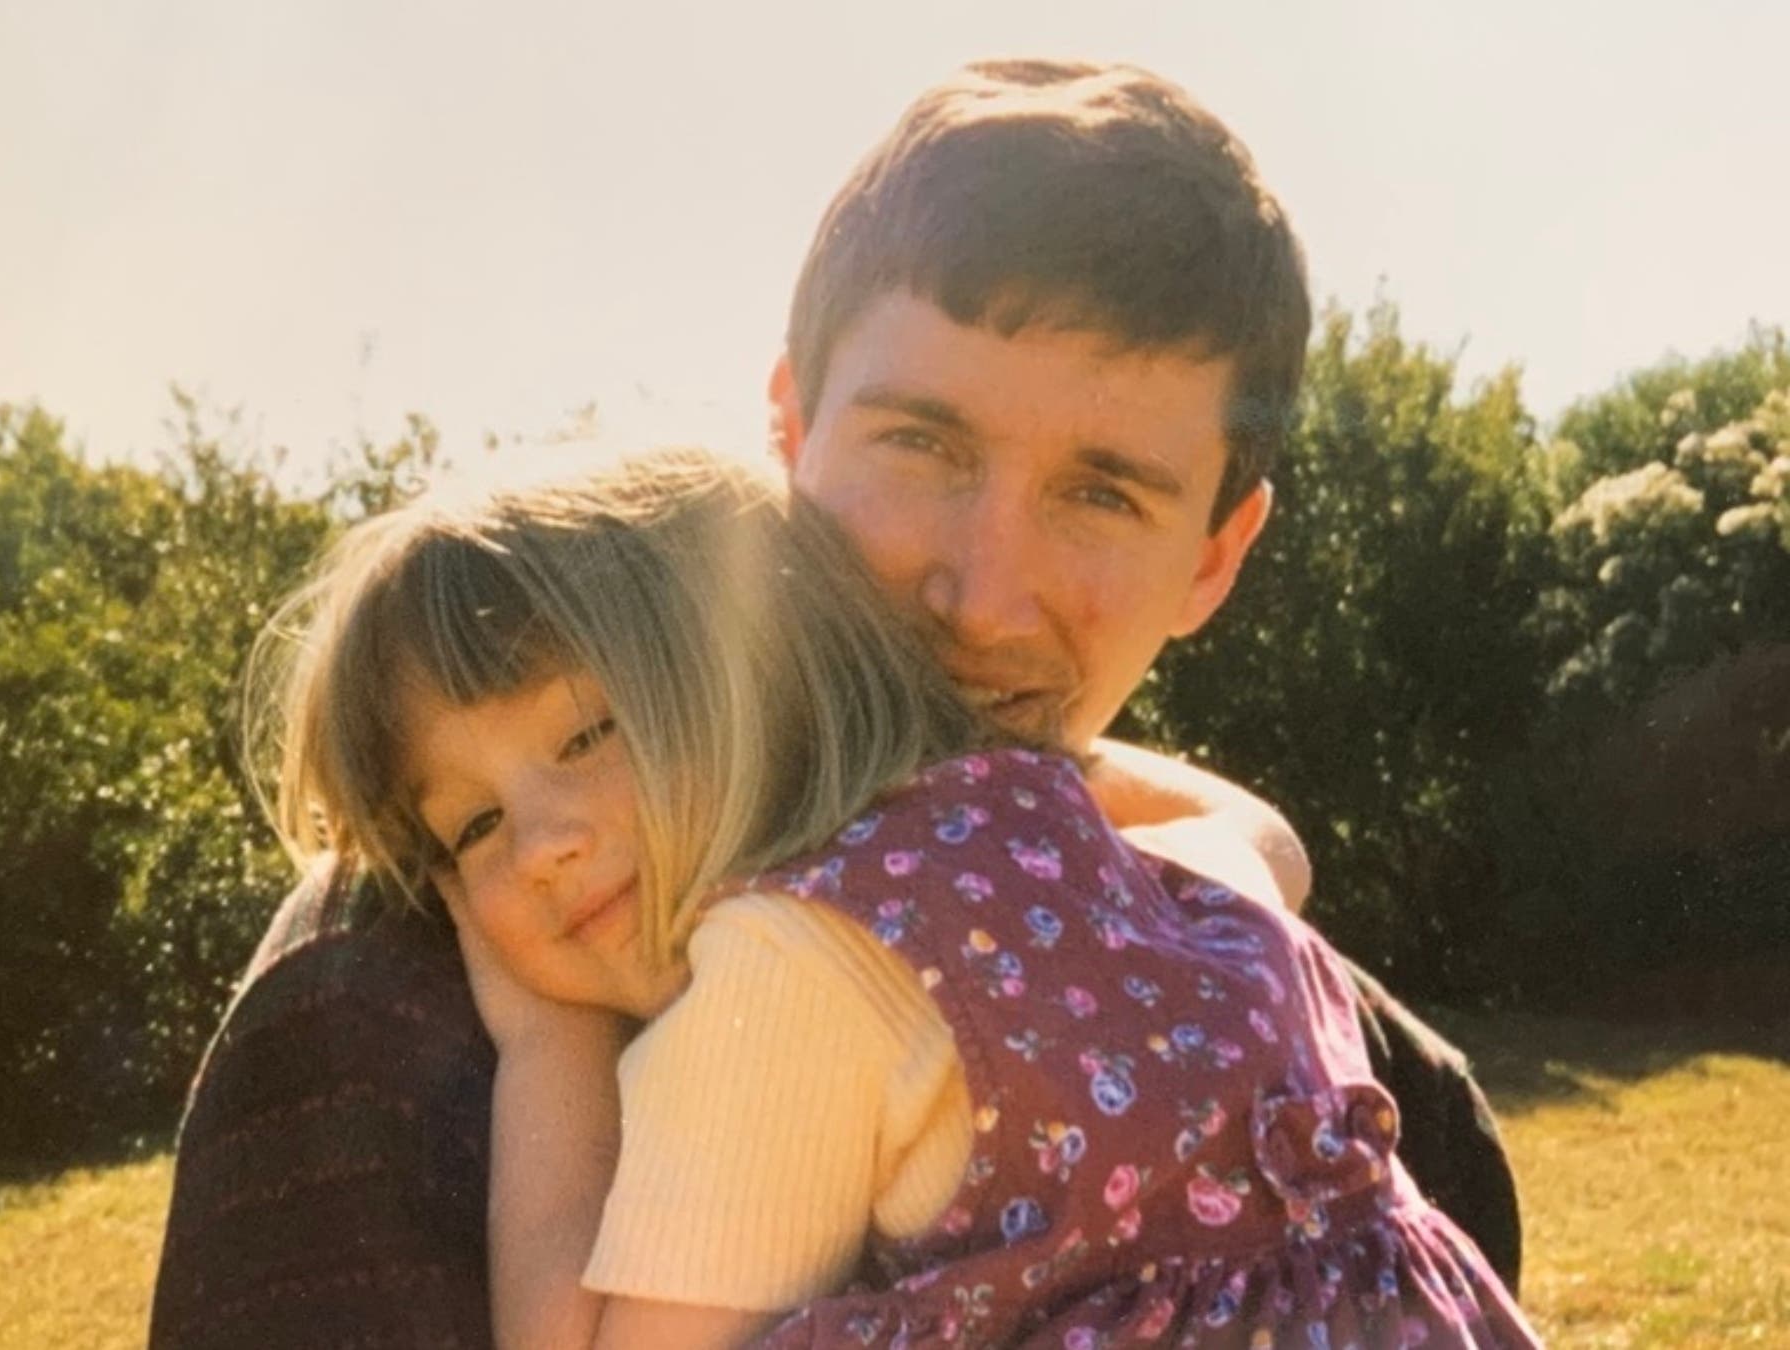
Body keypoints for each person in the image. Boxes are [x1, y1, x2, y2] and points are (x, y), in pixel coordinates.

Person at [148, 59, 1521, 1348]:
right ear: (790, 429)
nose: (983, 598)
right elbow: (1262, 843)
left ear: (1216, 556)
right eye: (921, 442)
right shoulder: (364, 1014)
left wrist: (552, 1040)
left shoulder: (1397, 1085)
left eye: (1103, 493)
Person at [249, 448, 1540, 1348]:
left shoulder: (779, 974)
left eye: (589, 733)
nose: (538, 845)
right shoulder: (1045, 845)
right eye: (470, 826)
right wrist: (995, 752)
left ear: (757, 674)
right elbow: (1272, 844)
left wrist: (547, 1043)